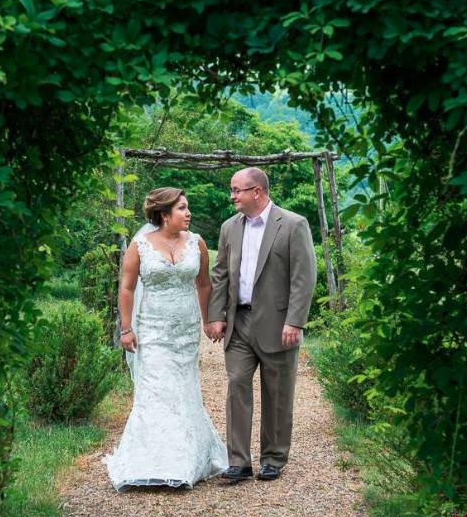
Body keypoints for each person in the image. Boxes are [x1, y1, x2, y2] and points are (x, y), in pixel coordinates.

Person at [103, 187, 227, 490]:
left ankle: (185, 459)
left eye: (187, 208)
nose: (188, 214)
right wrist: (126, 328)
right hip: (152, 329)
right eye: (182, 208)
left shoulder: (197, 243)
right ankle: (151, 462)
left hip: (184, 331)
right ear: (164, 214)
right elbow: (127, 288)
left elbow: (203, 285)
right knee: (156, 390)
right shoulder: (140, 245)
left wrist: (207, 320)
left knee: (184, 390)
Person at [206, 167, 317, 482]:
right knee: (236, 385)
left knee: (277, 393)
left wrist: (295, 320)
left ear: (258, 191)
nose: (232, 196)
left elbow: (303, 276)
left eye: (237, 190)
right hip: (239, 322)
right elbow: (220, 274)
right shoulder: (229, 227)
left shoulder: (294, 224)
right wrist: (216, 315)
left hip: (279, 323)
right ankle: (239, 461)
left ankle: (273, 458)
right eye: (232, 189)